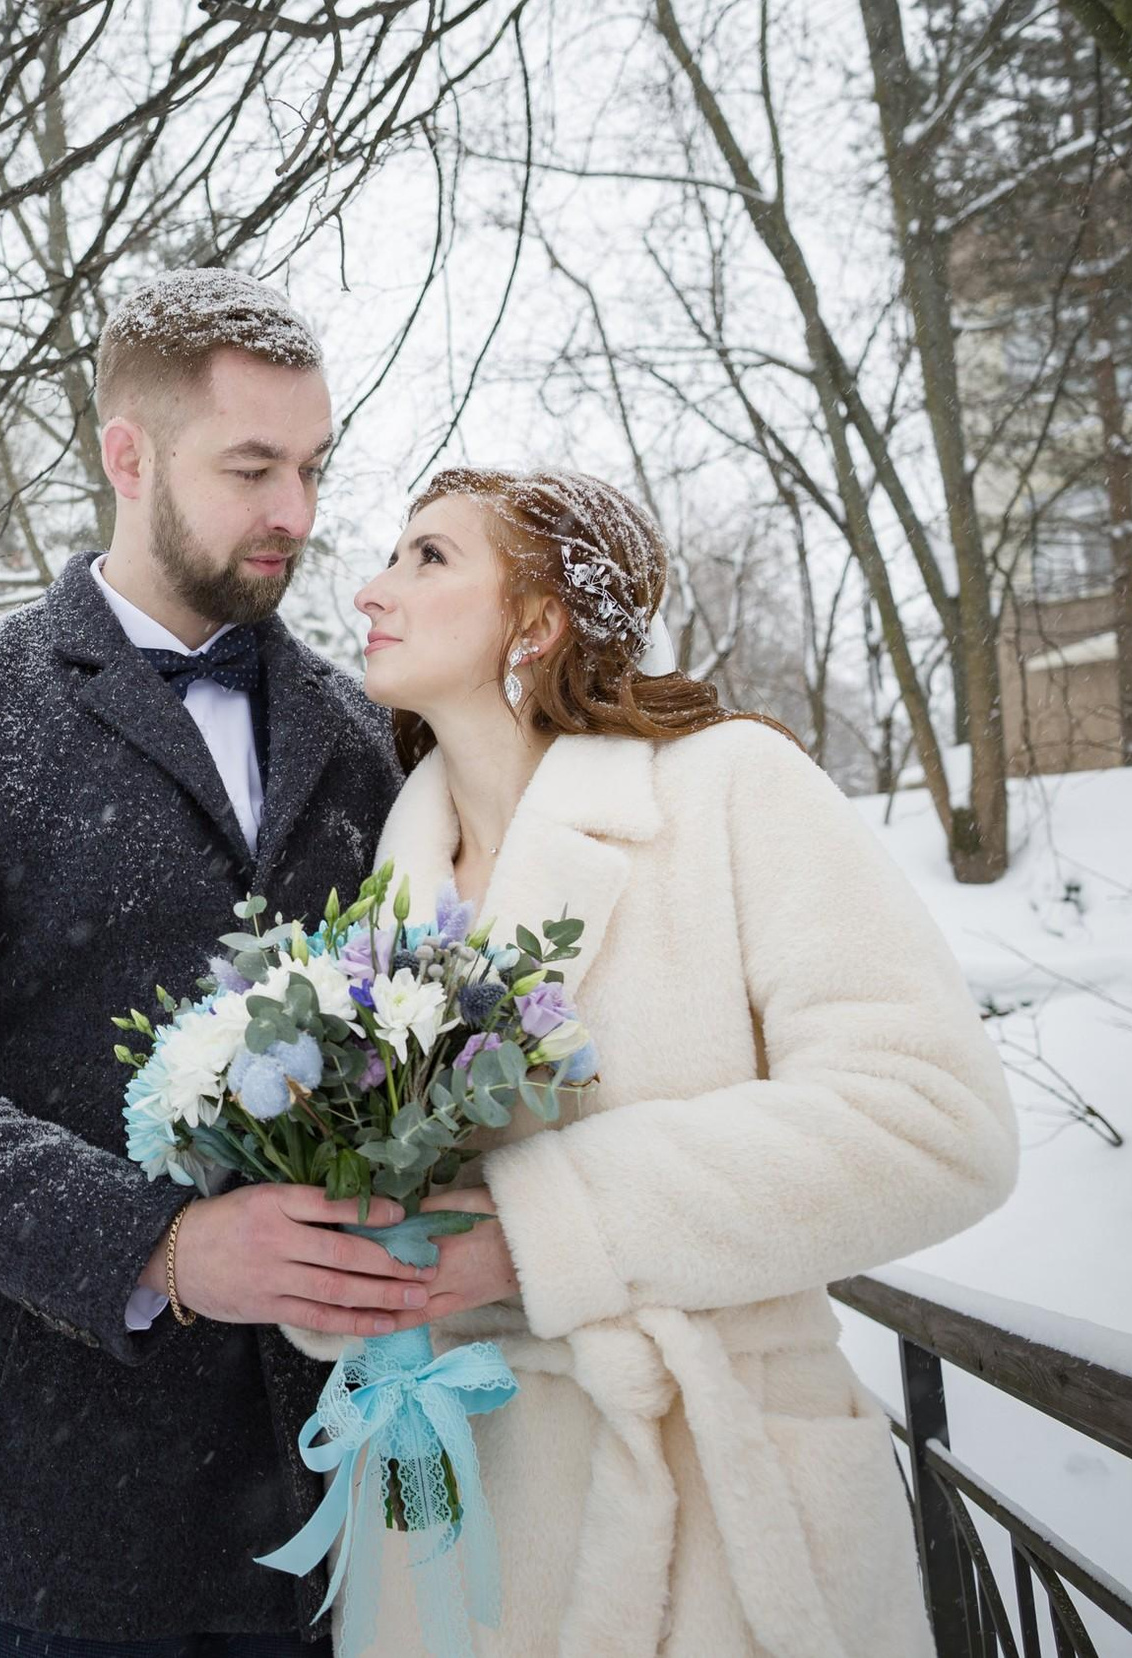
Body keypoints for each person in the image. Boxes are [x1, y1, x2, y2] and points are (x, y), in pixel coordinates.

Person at [0, 269, 415, 1658]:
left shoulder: (365, 732)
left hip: (351, 1517)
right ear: (127, 457)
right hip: (70, 1545)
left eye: (312, 466)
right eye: (250, 467)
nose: (296, 511)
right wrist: (162, 1246)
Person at [324, 466, 1018, 1657]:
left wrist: (538, 1230)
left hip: (714, 1513)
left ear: (537, 620)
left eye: (428, 556)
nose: (369, 590)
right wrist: (341, 1262)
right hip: (452, 1527)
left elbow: (931, 1117)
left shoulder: (728, 783)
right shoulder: (393, 876)